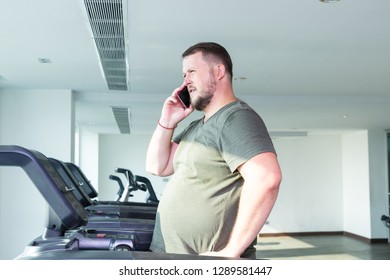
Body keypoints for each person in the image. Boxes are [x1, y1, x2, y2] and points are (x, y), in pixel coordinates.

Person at [145, 42, 282, 259]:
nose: (185, 81)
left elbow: (266, 179)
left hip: (206, 260)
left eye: (191, 71)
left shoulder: (235, 118)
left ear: (218, 71)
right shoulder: (197, 126)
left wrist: (231, 252)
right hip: (174, 255)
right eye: (183, 75)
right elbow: (157, 166)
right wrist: (167, 121)